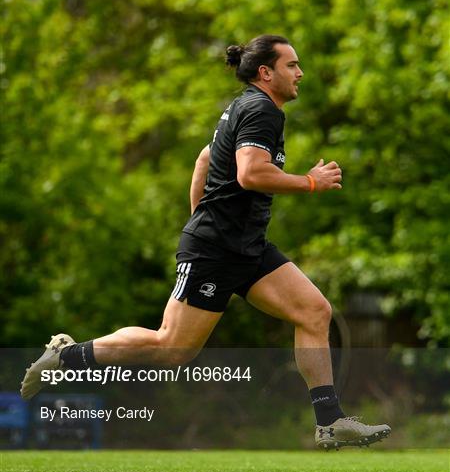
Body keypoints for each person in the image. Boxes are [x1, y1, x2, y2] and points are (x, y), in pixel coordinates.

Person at [21, 34, 390, 450]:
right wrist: (309, 182)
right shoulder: (261, 109)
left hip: (245, 247)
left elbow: (203, 158)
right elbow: (250, 174)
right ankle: (66, 355)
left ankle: (329, 421)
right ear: (266, 73)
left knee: (314, 311)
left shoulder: (245, 108)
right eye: (292, 65)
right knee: (171, 348)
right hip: (216, 249)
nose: (300, 73)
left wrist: (204, 216)